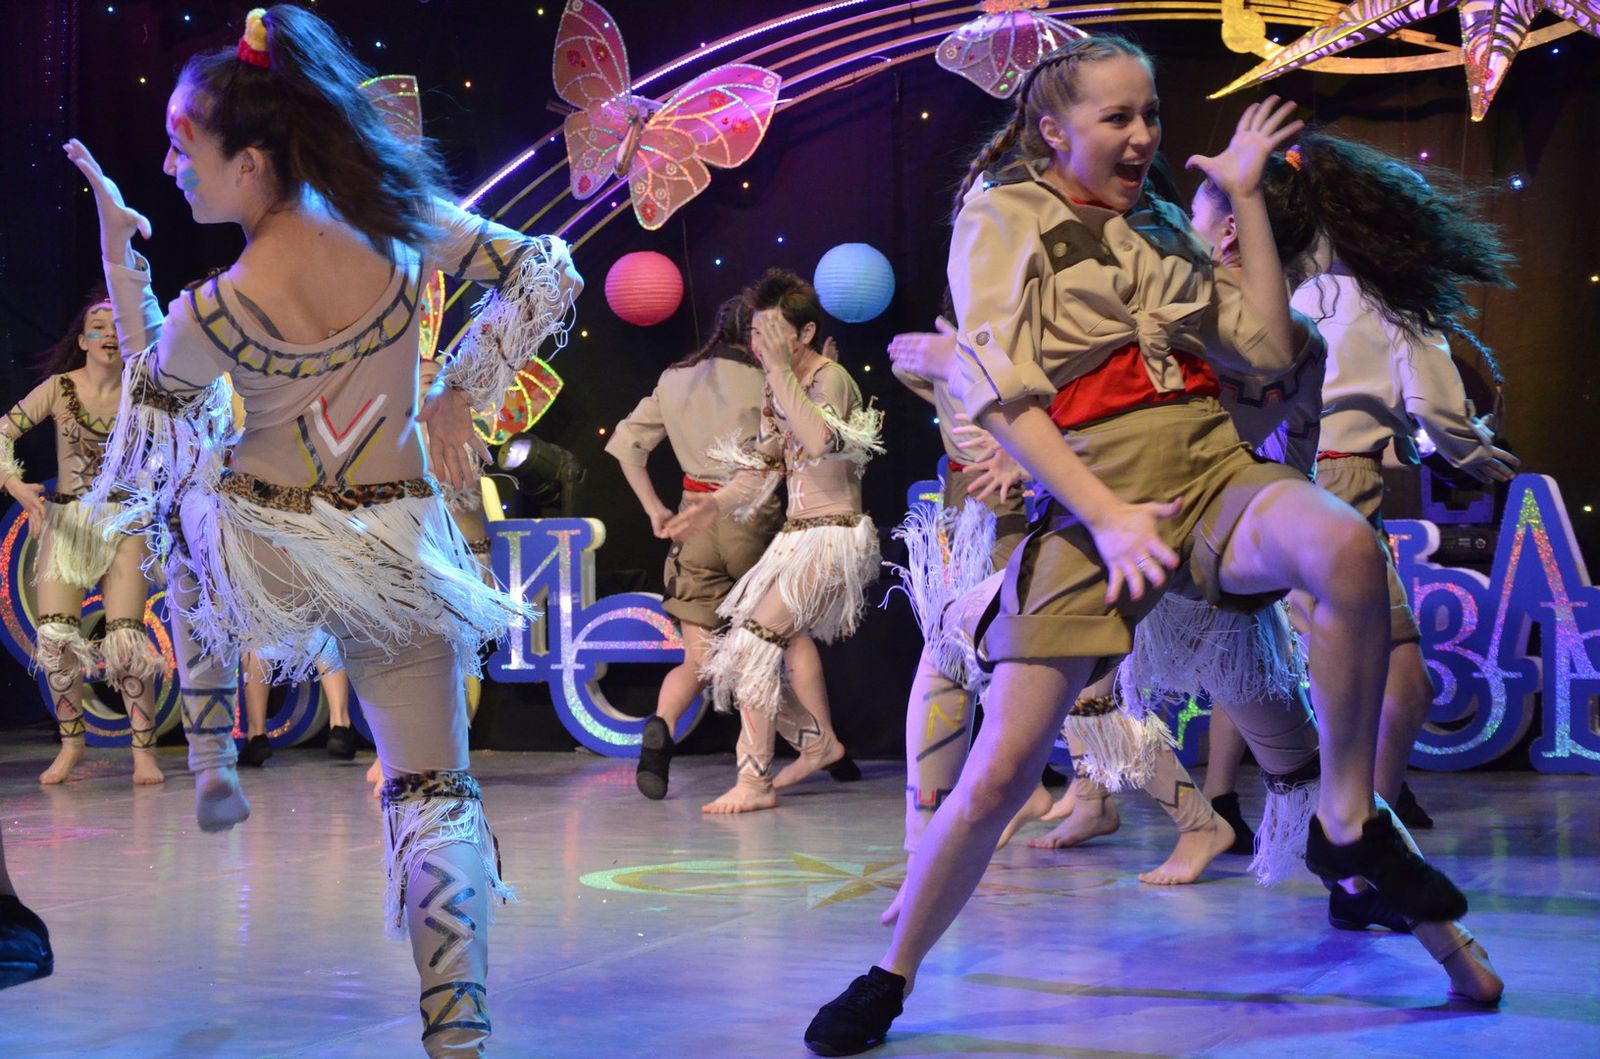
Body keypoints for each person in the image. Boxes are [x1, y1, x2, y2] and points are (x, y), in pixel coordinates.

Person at [804, 36, 1468, 1055]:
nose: (1143, 134)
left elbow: (1265, 349)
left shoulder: (1160, 223)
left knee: (1342, 546)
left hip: (1209, 468)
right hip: (1088, 501)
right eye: (1117, 116)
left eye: (1150, 113)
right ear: (1052, 130)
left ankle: (1347, 824)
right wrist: (1107, 516)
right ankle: (889, 976)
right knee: (1002, 768)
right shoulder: (1002, 215)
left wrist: (1243, 197)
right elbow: (1001, 391)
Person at [68, 6, 579, 1054]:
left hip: (266, 551)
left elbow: (146, 446)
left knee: (184, 510)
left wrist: (124, 263)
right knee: (436, 791)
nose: (169, 166)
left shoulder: (213, 310)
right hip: (394, 545)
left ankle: (211, 751)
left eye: (182, 146)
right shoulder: (398, 223)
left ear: (251, 162)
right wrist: (459, 388)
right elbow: (547, 270)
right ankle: (458, 1029)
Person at [608, 292, 854, 801]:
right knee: (790, 640)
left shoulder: (674, 378)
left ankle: (662, 727)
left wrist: (655, 509)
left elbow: (627, 445)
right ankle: (823, 747)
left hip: (693, 520)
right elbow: (806, 443)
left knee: (699, 659)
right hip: (752, 518)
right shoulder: (770, 381)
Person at [666, 269, 881, 815]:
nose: (758, 343)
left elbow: (819, 439)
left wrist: (782, 375)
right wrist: (713, 505)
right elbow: (764, 468)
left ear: (804, 334)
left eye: (770, 332)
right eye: (756, 332)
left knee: (755, 644)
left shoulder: (830, 379)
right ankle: (816, 743)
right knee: (738, 656)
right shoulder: (774, 386)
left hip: (833, 536)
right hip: (795, 537)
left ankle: (755, 780)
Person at [2, 294, 166, 786]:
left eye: (117, 326)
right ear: (82, 340)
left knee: (127, 641)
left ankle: (143, 752)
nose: (109, 334)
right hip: (67, 524)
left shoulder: (144, 392)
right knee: (56, 640)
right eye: (98, 326)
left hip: (124, 523)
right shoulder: (59, 388)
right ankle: (72, 744)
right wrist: (14, 484)